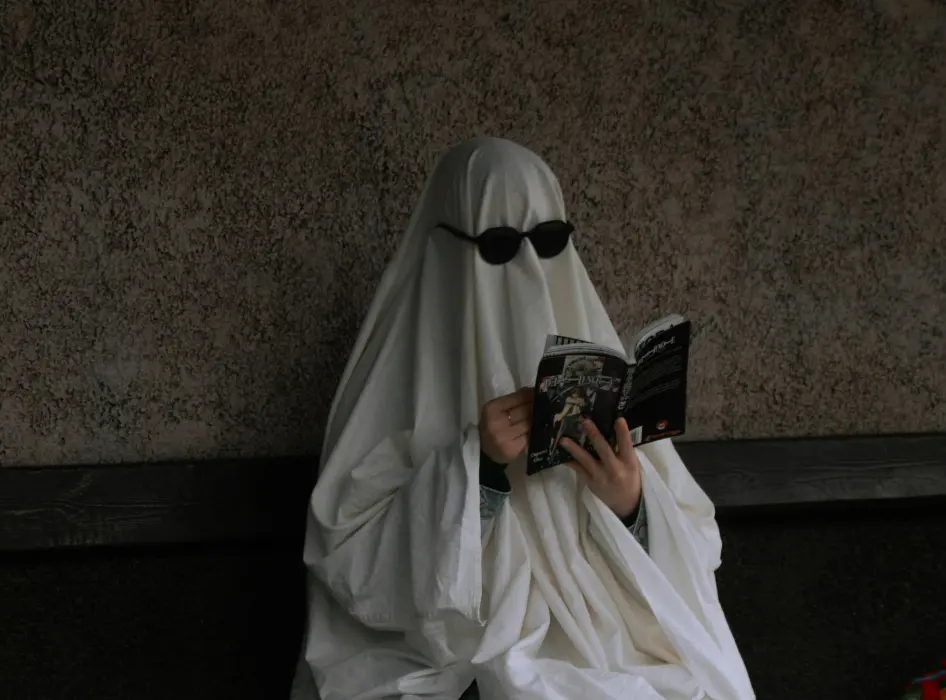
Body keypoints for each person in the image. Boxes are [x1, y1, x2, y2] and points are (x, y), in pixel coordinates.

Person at [290, 137, 755, 700]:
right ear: (449, 244)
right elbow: (348, 559)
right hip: (457, 661)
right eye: (501, 246)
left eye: (551, 241)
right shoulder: (390, 384)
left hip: (608, 648)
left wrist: (630, 504)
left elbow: (697, 550)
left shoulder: (591, 341)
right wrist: (476, 471)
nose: (532, 271)